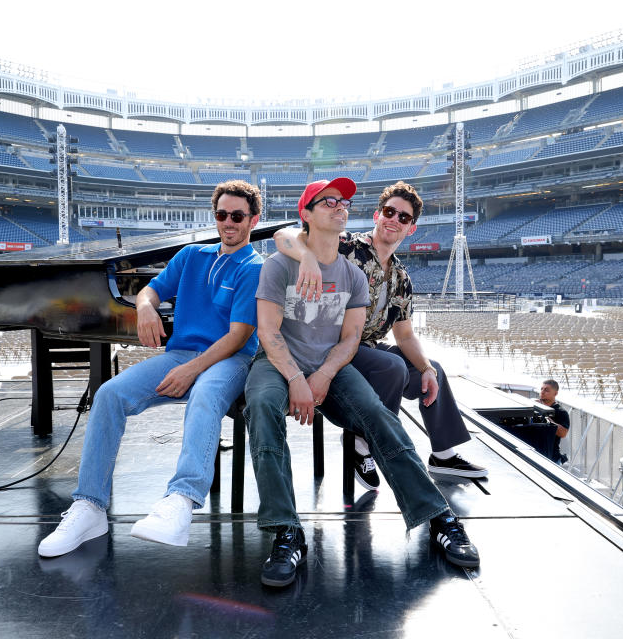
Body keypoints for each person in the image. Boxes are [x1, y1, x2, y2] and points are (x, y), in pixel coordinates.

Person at [245, 177, 480, 588]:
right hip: (280, 363)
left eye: (344, 202)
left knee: (377, 414)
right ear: (308, 213)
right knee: (263, 408)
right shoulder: (281, 264)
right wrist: (298, 379)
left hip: (331, 363)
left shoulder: (354, 276)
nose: (340, 206)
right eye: (328, 201)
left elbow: (352, 337)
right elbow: (268, 331)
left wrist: (322, 374)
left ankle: (438, 515)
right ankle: (286, 531)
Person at [38, 180, 264, 558]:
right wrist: (145, 307)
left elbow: (239, 337)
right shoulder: (192, 255)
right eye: (221, 214)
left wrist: (192, 370)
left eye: (237, 216)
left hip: (230, 359)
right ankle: (90, 506)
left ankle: (182, 498)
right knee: (109, 394)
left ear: (253, 220)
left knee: (207, 393)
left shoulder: (254, 267)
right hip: (180, 355)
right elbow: (150, 290)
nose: (228, 222)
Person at [273, 181, 486, 490]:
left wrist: (425, 369)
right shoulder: (345, 245)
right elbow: (285, 235)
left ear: (411, 228)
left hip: (366, 350)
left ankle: (443, 455)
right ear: (377, 215)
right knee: (391, 367)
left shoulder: (400, 277)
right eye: (389, 212)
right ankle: (364, 444)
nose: (394, 220)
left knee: (433, 370)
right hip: (330, 346)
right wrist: (307, 257)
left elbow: (405, 335)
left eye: (403, 217)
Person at [539, 379, 570, 463]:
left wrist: (545, 418)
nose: (542, 392)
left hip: (552, 458)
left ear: (555, 393)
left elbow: (563, 433)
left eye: (546, 390)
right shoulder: (535, 406)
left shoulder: (561, 412)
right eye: (541, 389)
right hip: (535, 454)